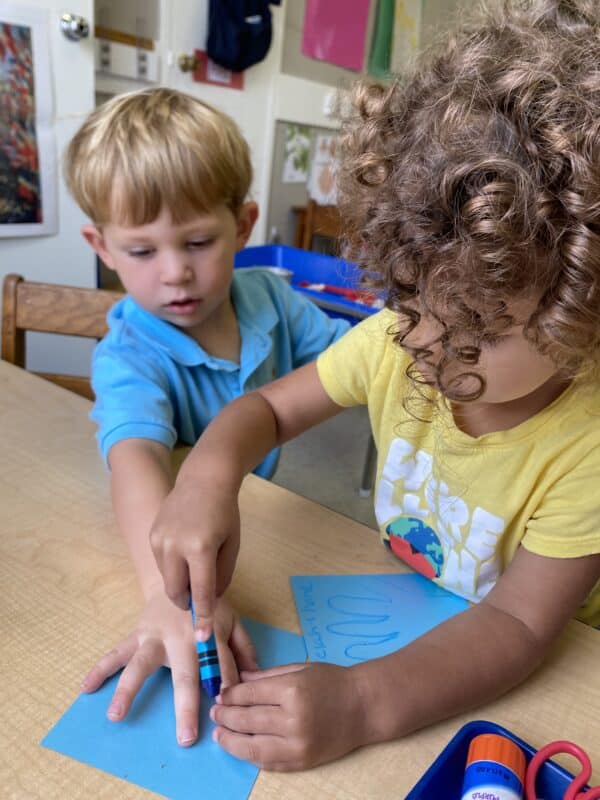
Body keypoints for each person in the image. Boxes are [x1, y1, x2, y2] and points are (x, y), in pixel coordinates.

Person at [148, 0, 600, 771]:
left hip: (540, 671)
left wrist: (364, 702)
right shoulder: (397, 341)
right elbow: (262, 409)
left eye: (474, 329)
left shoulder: (586, 445)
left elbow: (521, 625)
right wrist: (207, 477)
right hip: (412, 604)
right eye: (410, 298)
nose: (422, 342)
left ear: (582, 317)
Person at [63, 87, 349, 748]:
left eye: (197, 241)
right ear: (100, 245)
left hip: (263, 515)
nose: (176, 275)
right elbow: (134, 462)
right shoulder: (127, 354)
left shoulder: (273, 300)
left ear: (244, 225)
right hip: (174, 540)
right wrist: (167, 596)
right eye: (141, 252)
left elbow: (349, 359)